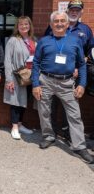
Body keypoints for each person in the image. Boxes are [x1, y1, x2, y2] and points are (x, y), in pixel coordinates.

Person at [32, 11, 93, 164]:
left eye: (62, 21)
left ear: (67, 24)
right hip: (46, 80)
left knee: (74, 115)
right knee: (44, 111)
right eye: (56, 21)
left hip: (67, 83)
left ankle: (79, 146)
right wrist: (35, 84)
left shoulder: (75, 41)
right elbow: (36, 64)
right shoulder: (44, 41)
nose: (59, 24)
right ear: (51, 24)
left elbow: (81, 64)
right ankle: (48, 136)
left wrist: (82, 84)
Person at [45, 0, 93, 140]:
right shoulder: (54, 26)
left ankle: (68, 133)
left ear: (81, 12)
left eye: (77, 10)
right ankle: (52, 132)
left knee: (71, 106)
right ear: (68, 10)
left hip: (75, 74)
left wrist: (83, 61)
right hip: (54, 73)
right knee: (51, 105)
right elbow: (47, 46)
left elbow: (92, 50)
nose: (74, 12)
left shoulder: (85, 30)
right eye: (72, 9)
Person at [3, 16, 35, 140]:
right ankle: (14, 127)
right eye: (21, 24)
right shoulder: (13, 40)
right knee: (15, 102)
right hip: (16, 75)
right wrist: (8, 79)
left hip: (29, 76)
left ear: (29, 26)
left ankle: (20, 125)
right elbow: (7, 60)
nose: (24, 26)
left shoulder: (33, 39)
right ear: (17, 26)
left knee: (24, 102)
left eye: (26, 24)